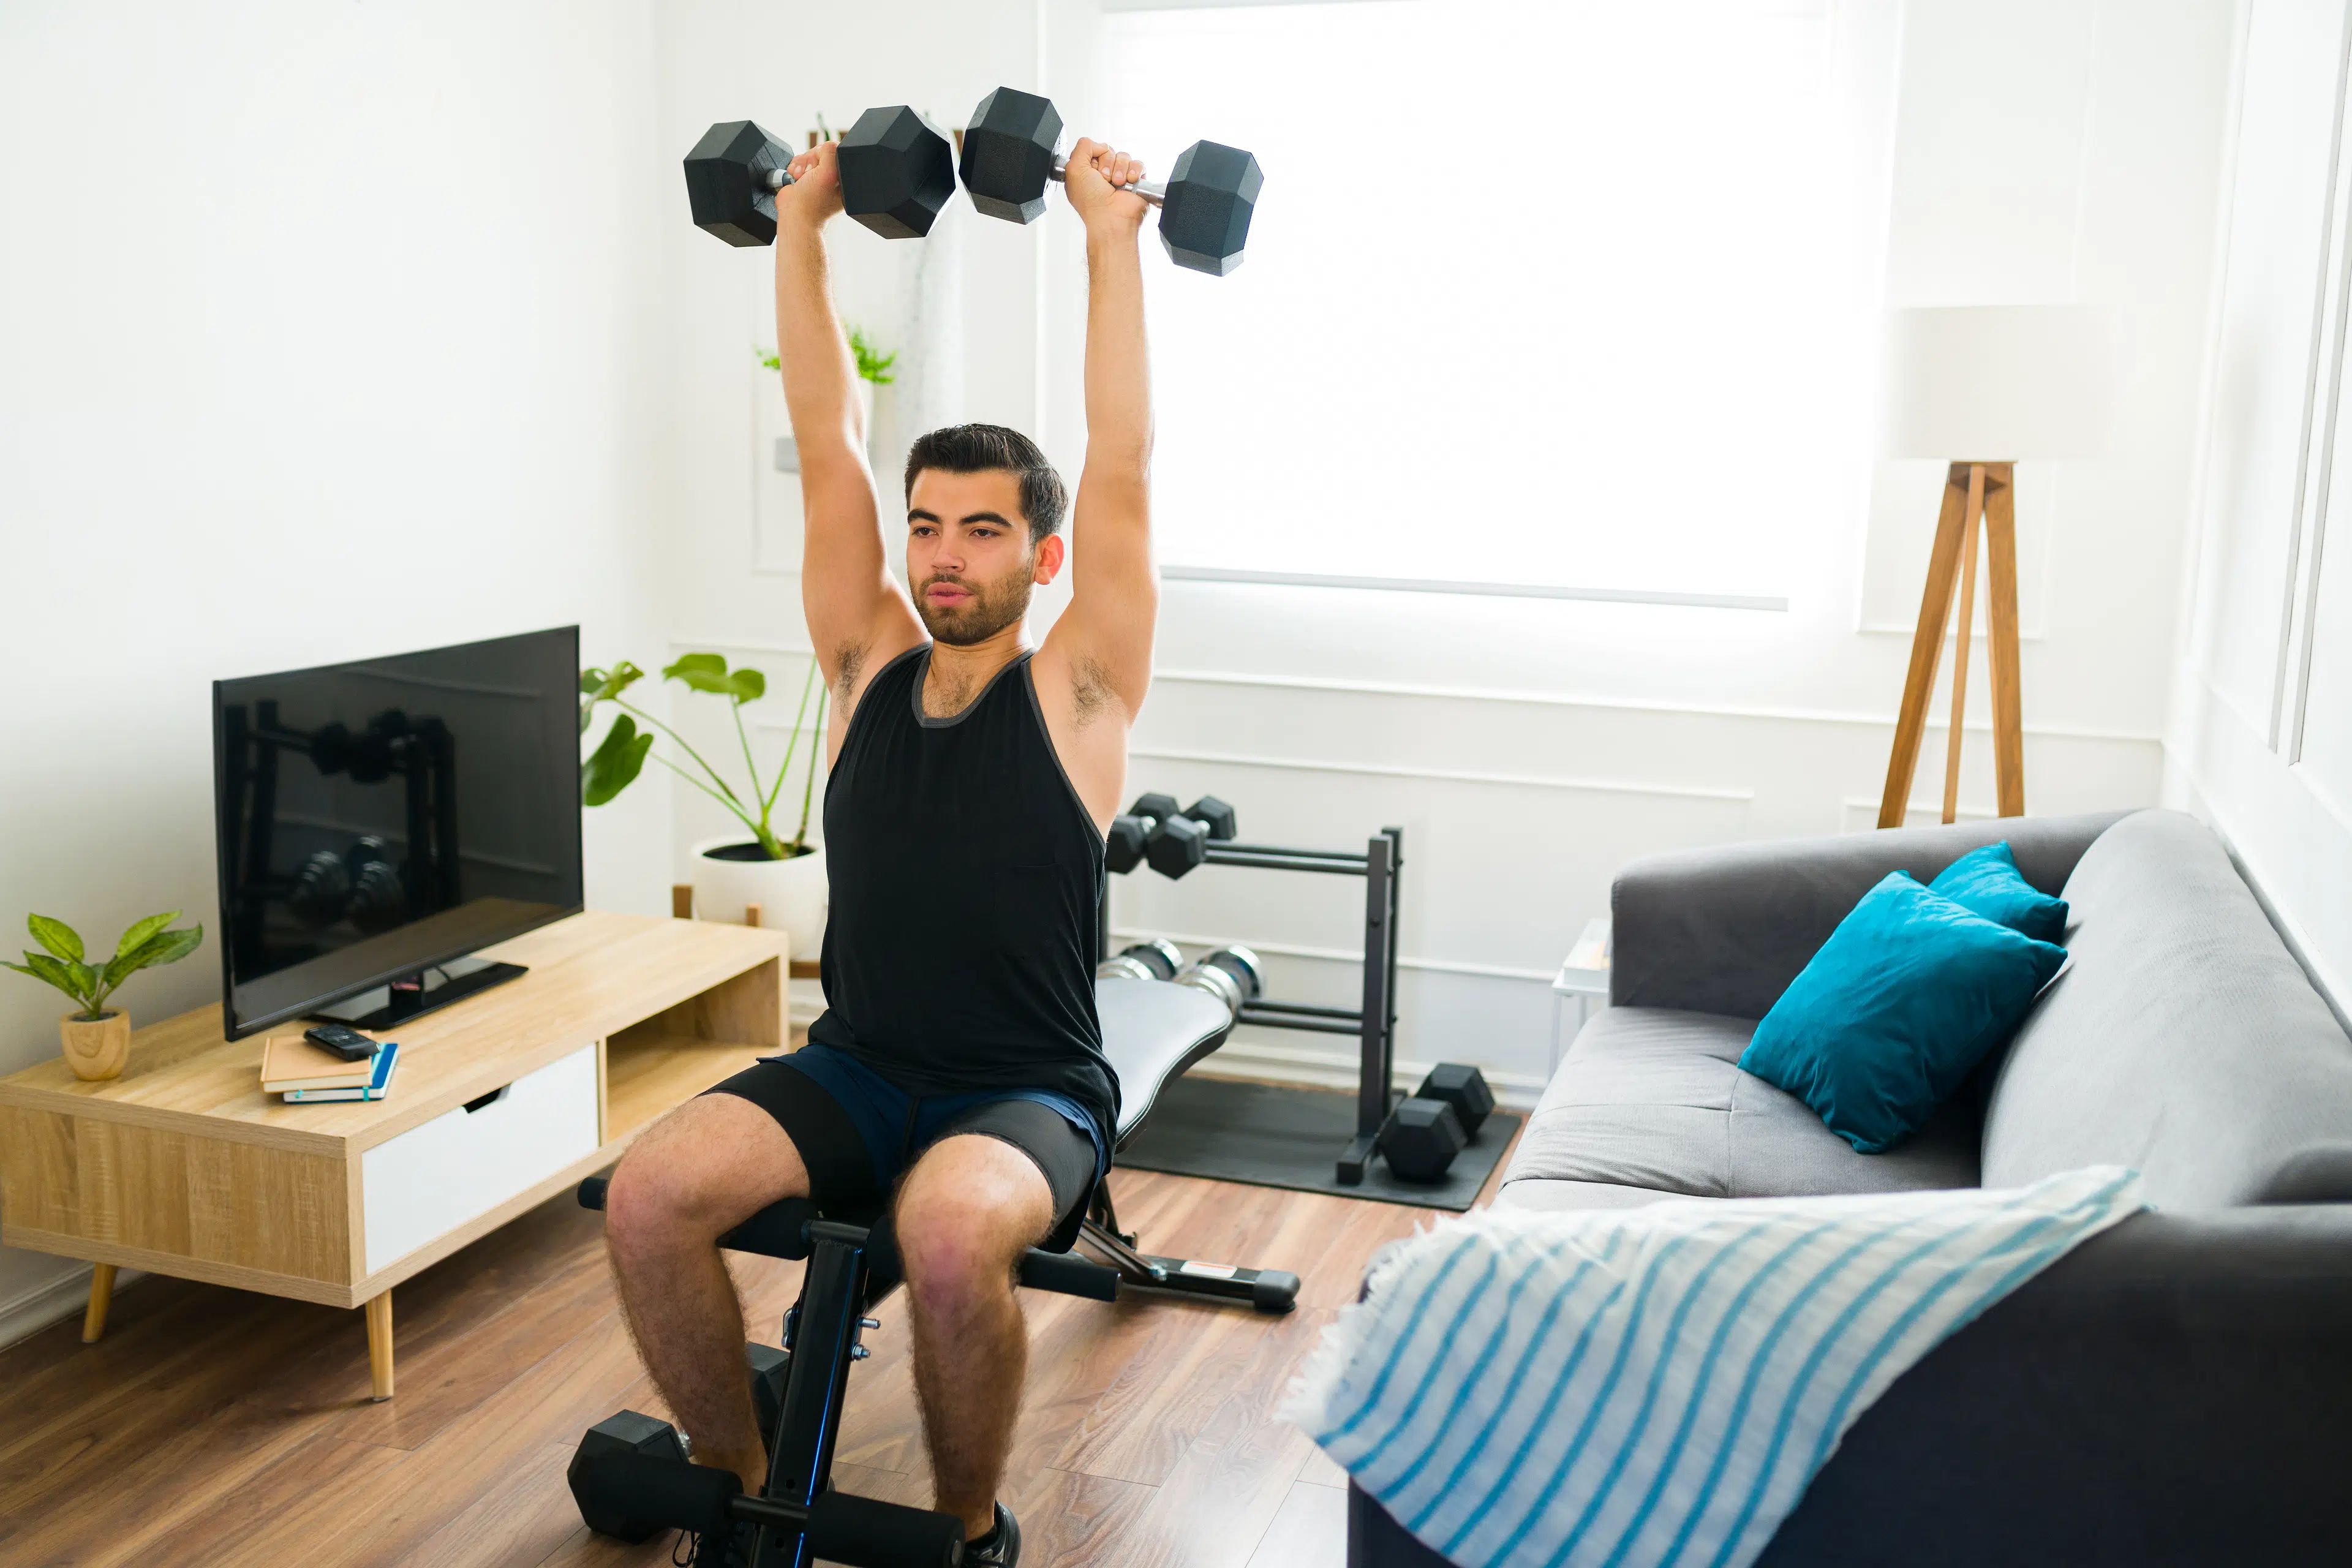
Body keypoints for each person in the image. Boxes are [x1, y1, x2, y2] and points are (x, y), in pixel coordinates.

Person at [600, 129, 1160, 1567]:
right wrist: (799, 232)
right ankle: (736, 1491)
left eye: (982, 530)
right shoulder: (865, 663)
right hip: (857, 1065)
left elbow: (1121, 460)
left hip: (1026, 1085)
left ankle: (966, 1529)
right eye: (926, 527)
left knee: (952, 1232)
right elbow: (826, 442)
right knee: (649, 1195)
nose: (944, 554)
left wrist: (1109, 243)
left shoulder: (1079, 688)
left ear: (1041, 557)